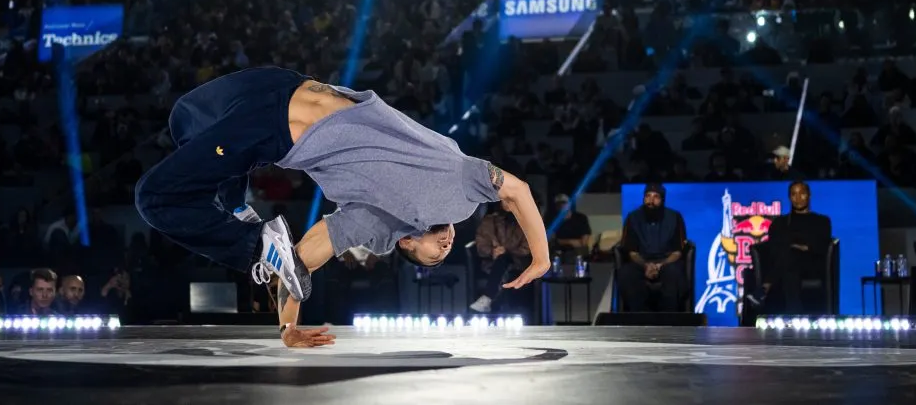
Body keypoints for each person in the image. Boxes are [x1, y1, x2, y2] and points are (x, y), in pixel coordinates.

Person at [135, 66, 550, 348]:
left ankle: (250, 232)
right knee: (181, 126)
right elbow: (517, 191)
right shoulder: (459, 192)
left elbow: (300, 261)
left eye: (434, 255)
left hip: (269, 126)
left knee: (159, 184)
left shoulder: (371, 221)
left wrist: (287, 328)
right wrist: (541, 258)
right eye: (446, 249)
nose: (444, 246)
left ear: (405, 244)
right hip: (280, 83)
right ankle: (243, 219)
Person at [757, 180, 832, 312]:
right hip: (787, 266)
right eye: (794, 194)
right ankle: (794, 313)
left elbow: (820, 246)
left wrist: (798, 247)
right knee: (790, 266)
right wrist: (798, 247)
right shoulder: (780, 222)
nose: (798, 198)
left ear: (809, 195)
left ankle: (765, 287)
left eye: (802, 193)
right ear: (789, 197)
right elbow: (774, 247)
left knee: (789, 256)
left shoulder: (821, 221)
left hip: (811, 265)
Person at [618, 183, 687, 312]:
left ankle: (668, 318)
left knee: (674, 273)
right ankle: (639, 318)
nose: (651, 200)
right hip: (640, 262)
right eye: (648, 196)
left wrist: (660, 265)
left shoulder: (674, 217)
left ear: (662, 200)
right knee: (626, 273)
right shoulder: (633, 217)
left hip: (667, 262)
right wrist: (646, 266)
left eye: (656, 197)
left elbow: (677, 252)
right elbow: (632, 253)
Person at [469, 202, 531, 313]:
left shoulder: (525, 223)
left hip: (518, 263)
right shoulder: (489, 222)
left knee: (504, 258)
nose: (508, 205)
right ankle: (490, 300)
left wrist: (507, 251)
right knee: (502, 260)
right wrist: (493, 251)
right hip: (492, 263)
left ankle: (488, 297)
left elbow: (528, 248)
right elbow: (481, 245)